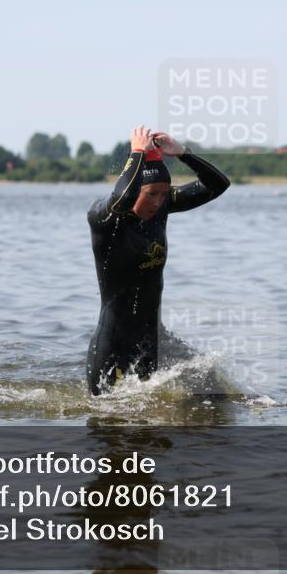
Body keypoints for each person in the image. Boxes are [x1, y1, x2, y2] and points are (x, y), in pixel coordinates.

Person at [86, 125, 230, 395]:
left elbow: (218, 185)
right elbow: (121, 197)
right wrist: (138, 152)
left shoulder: (161, 208)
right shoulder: (105, 218)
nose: (158, 202)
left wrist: (183, 154)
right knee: (106, 422)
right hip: (112, 343)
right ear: (136, 189)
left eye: (164, 193)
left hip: (151, 339)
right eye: (151, 193)